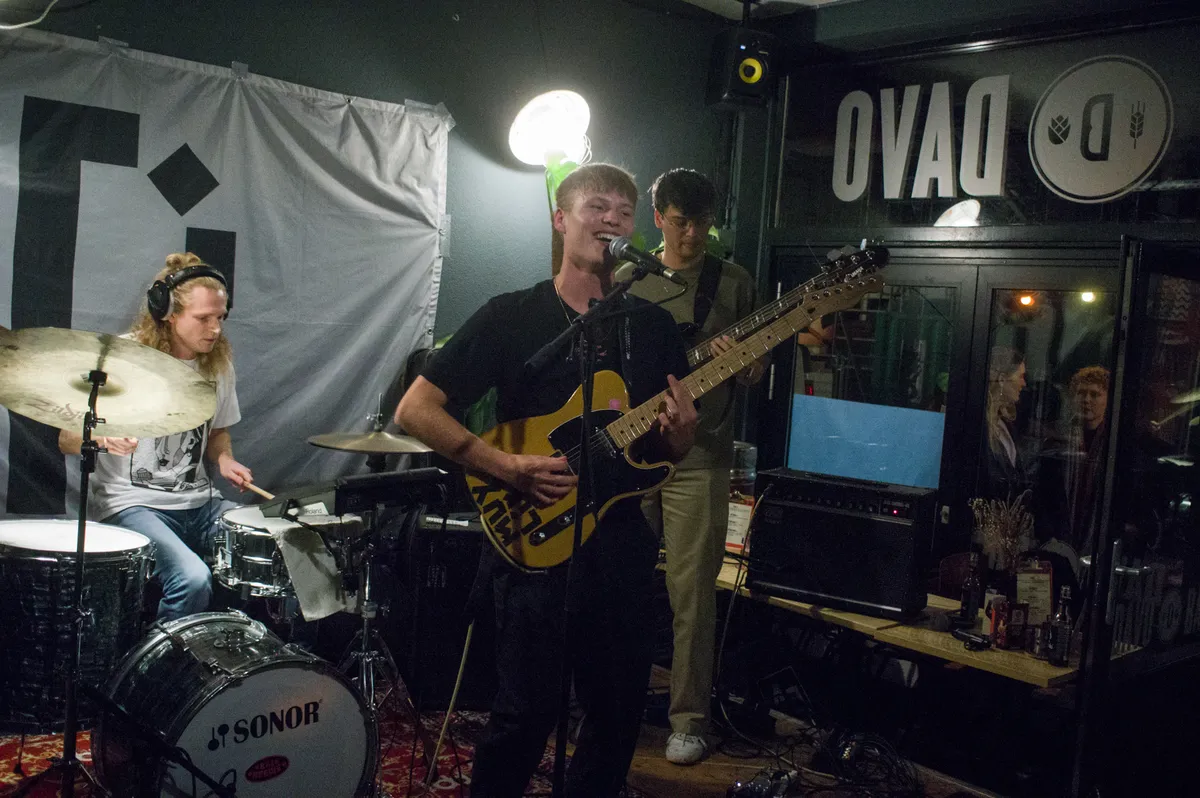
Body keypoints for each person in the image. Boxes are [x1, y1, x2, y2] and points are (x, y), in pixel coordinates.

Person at [396, 163, 698, 797]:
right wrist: (502, 465)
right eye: (597, 207)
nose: (612, 219)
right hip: (534, 540)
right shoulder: (511, 316)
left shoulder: (652, 328)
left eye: (624, 211)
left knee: (616, 715)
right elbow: (416, 410)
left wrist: (679, 435)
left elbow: (665, 450)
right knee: (522, 716)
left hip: (619, 541)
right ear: (561, 220)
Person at [628, 168, 764, 766]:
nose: (692, 235)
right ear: (659, 218)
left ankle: (689, 721)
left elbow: (757, 372)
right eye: (681, 222)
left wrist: (740, 360)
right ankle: (616, 701)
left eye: (703, 223)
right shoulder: (630, 280)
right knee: (622, 584)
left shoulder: (734, 282)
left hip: (703, 455)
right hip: (634, 453)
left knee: (693, 597)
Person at [59, 253, 252, 621]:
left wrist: (225, 458)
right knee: (192, 580)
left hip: (199, 504)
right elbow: (67, 437)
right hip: (132, 504)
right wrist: (104, 439)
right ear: (168, 313)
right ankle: (162, 658)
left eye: (220, 318)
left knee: (272, 541)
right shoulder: (120, 358)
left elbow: (218, 431)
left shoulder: (217, 365)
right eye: (203, 318)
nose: (215, 329)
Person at [984, 345, 1031, 500]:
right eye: (1021, 376)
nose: (1024, 383)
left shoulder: (1005, 423)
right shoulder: (982, 425)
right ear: (1002, 380)